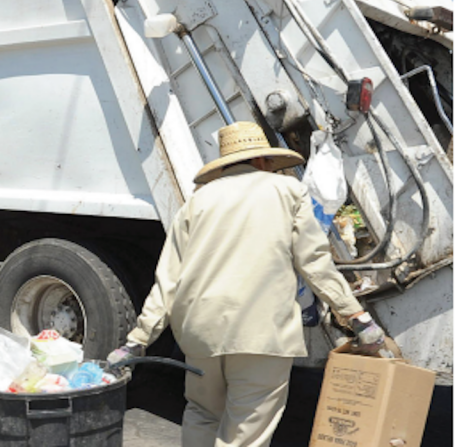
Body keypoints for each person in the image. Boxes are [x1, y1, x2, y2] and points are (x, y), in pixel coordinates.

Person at [108, 121, 385, 447]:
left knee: (202, 414)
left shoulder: (195, 203)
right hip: (262, 335)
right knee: (246, 431)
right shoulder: (289, 192)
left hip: (200, 335)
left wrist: (137, 340)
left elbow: (167, 280)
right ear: (262, 160)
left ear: (225, 165)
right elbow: (314, 264)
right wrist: (357, 317)